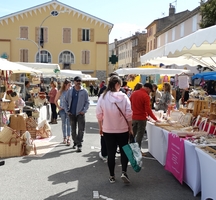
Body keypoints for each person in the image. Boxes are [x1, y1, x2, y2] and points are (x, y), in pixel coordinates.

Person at [96, 75, 133, 184]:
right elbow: (129, 114)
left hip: (108, 129)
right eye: (120, 85)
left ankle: (112, 176)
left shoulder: (103, 97)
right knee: (124, 151)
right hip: (122, 129)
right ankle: (124, 172)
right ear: (117, 84)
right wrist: (130, 127)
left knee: (111, 153)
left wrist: (100, 127)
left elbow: (99, 114)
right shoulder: (124, 97)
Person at [130, 83, 159, 155]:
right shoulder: (146, 96)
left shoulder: (134, 93)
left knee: (133, 134)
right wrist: (155, 119)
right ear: (148, 88)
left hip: (133, 117)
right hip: (141, 118)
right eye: (150, 90)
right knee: (139, 135)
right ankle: (137, 151)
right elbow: (148, 109)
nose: (150, 92)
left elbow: (129, 104)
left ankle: (131, 149)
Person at [63, 76, 90, 153]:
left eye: (80, 81)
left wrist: (84, 111)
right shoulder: (70, 91)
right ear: (74, 82)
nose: (79, 82)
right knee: (73, 130)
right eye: (77, 81)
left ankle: (79, 144)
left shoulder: (84, 91)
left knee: (81, 130)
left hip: (80, 114)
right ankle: (76, 142)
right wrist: (67, 110)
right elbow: (65, 101)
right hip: (72, 113)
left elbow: (87, 102)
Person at [54, 79, 72, 146]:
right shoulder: (61, 92)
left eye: (70, 85)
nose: (70, 86)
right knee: (64, 123)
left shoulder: (70, 91)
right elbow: (55, 100)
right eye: (69, 85)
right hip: (62, 110)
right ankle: (64, 137)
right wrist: (58, 107)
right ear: (65, 85)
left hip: (69, 110)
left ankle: (68, 138)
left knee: (69, 124)